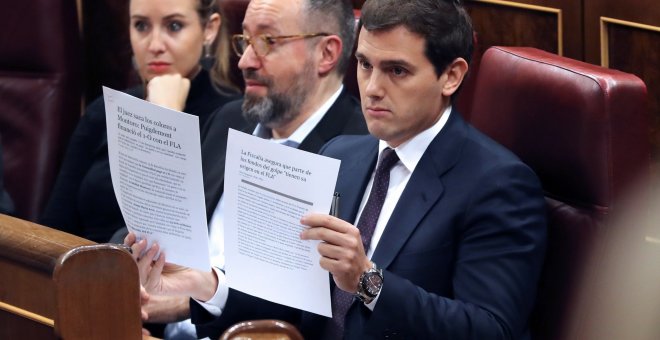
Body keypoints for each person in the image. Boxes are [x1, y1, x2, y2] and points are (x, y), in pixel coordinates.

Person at [130, 0, 546, 339]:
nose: (373, 87)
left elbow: (492, 329)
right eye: (365, 65)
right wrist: (208, 287)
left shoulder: (498, 183)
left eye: (396, 70)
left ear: (451, 76)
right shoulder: (343, 154)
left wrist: (368, 281)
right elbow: (292, 297)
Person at [131, 0, 368, 338]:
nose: (244, 61)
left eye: (267, 42)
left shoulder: (361, 152)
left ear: (326, 53)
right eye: (245, 41)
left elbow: (316, 310)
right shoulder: (229, 120)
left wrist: (192, 298)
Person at [40, 0, 240, 243]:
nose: (154, 45)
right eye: (141, 26)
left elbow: (176, 236)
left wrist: (166, 119)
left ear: (209, 28)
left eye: (174, 26)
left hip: (160, 276)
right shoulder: (105, 110)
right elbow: (51, 230)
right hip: (82, 272)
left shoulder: (233, 119)